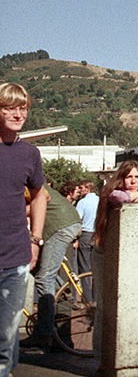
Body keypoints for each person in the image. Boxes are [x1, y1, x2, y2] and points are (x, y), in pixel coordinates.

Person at [93, 160, 138, 358]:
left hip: (125, 254)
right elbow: (124, 199)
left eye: (137, 177)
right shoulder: (111, 193)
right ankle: (99, 356)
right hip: (102, 252)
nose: (133, 181)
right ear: (121, 178)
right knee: (103, 306)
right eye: (129, 177)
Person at [0, 82, 46, 377]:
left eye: (22, 108)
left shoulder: (30, 154)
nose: (18, 114)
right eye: (9, 107)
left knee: (6, 335)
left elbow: (40, 194)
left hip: (15, 256)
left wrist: (36, 239)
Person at [25, 185, 82, 350]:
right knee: (51, 280)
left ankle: (43, 333)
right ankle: (60, 339)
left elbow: (43, 197)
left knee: (44, 278)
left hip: (61, 226)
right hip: (62, 224)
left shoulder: (21, 179)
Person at [75, 178, 99, 303]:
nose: (79, 190)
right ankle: (96, 297)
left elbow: (77, 220)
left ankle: (87, 298)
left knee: (84, 267)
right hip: (97, 235)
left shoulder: (82, 203)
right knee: (96, 267)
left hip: (85, 234)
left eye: (81, 187)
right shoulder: (100, 201)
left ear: (87, 188)